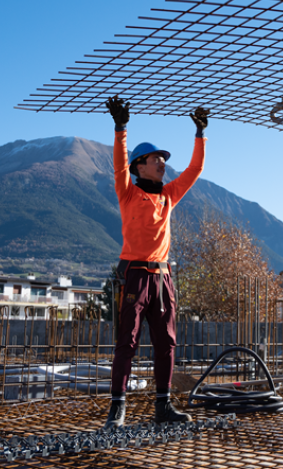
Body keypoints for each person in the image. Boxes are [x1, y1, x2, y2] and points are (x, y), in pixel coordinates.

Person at [103, 95, 208, 428]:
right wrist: (121, 128)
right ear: (139, 166)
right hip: (133, 274)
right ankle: (117, 410)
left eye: (163, 158)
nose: (163, 162)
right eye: (155, 158)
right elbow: (119, 165)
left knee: (166, 343)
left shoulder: (168, 196)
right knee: (127, 343)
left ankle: (163, 407)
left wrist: (200, 135)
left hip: (162, 278)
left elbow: (194, 170)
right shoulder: (128, 192)